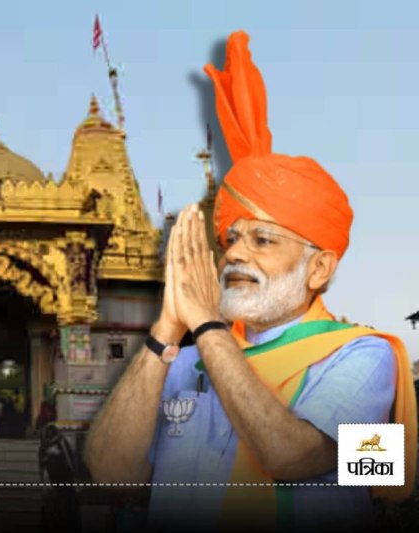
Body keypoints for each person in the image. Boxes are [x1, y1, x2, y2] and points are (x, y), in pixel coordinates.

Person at [85, 31, 417, 532]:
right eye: (232, 237)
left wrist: (209, 326)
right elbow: (111, 476)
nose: (235, 252)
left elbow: (294, 457)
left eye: (263, 240)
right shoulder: (186, 363)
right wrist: (166, 333)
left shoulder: (363, 357)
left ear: (320, 269)